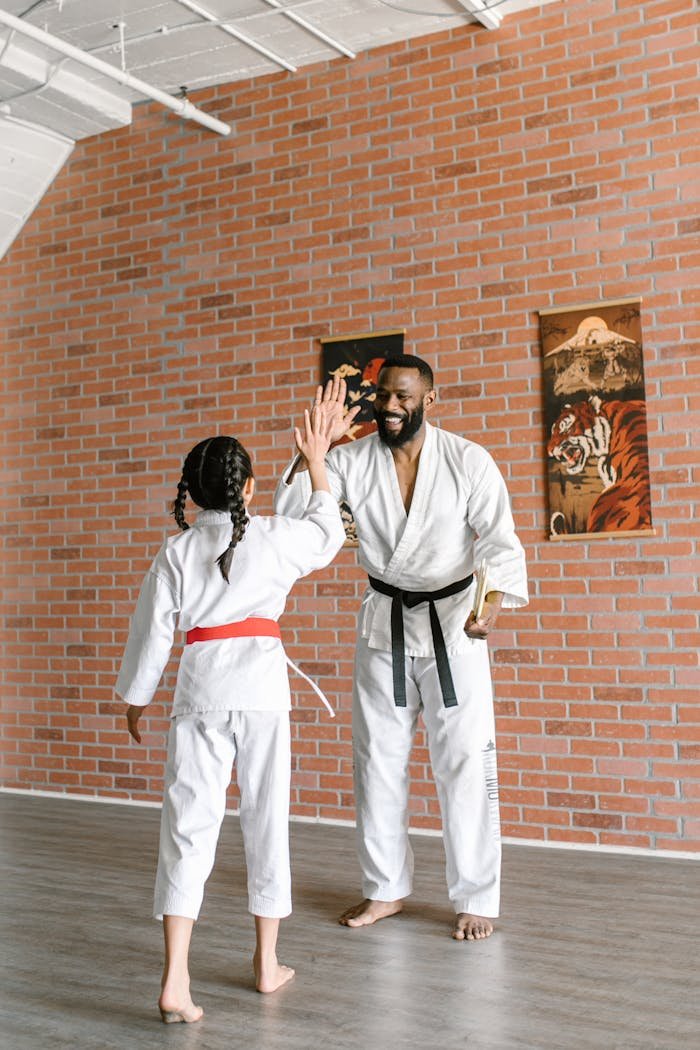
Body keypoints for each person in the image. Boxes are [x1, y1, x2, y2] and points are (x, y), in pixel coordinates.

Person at [274, 356, 528, 942]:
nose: (389, 406)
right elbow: (292, 519)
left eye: (403, 397)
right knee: (376, 762)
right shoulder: (350, 460)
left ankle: (476, 897)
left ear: (429, 401)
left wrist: (492, 601)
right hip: (384, 626)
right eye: (383, 395)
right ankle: (384, 889)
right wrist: (311, 454)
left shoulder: (468, 460)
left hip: (454, 626)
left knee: (465, 762)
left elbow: (499, 537)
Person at [116, 406, 345, 1023]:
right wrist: (319, 461)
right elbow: (328, 534)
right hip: (264, 692)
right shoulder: (272, 535)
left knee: (188, 827)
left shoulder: (177, 551)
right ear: (248, 488)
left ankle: (175, 980)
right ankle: (267, 964)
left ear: (190, 493)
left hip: (200, 691)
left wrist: (137, 698)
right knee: (266, 820)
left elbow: (151, 635)